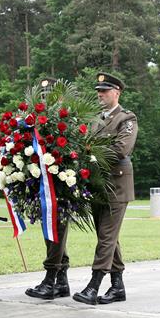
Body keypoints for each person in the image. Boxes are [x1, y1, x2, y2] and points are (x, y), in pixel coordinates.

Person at [73, 72, 138, 305]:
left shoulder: (126, 119)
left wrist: (91, 154)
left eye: (105, 91)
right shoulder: (95, 119)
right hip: (97, 185)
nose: (100, 94)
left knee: (107, 237)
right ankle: (118, 287)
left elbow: (122, 149)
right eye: (98, 91)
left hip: (117, 185)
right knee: (107, 236)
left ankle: (94, 285)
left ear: (117, 93)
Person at [25, 77, 71, 300]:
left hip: (62, 184)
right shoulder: (36, 122)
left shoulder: (68, 118)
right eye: (42, 96)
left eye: (48, 96)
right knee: (52, 230)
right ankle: (61, 281)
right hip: (43, 183)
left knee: (56, 229)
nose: (44, 100)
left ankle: (51, 279)